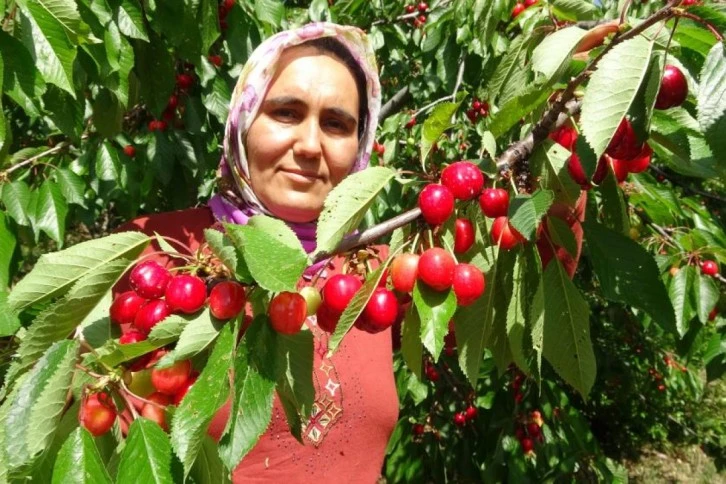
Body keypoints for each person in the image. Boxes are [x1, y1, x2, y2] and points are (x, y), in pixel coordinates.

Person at [116, 23, 398, 483]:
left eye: (336, 123)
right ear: (244, 121)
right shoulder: (156, 256)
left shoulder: (376, 272)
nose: (310, 145)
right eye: (286, 113)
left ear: (361, 144)